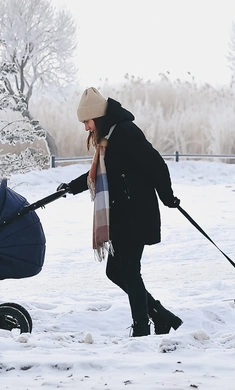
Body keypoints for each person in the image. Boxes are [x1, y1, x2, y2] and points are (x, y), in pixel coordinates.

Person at [57, 87, 183, 337]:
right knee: (115, 271)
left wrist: (168, 198)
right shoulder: (109, 138)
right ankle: (160, 316)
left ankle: (141, 328)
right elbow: (102, 175)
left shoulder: (125, 132)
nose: (86, 128)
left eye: (87, 121)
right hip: (122, 215)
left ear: (98, 117)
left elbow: (156, 163)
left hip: (135, 213)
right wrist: (71, 187)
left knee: (128, 271)